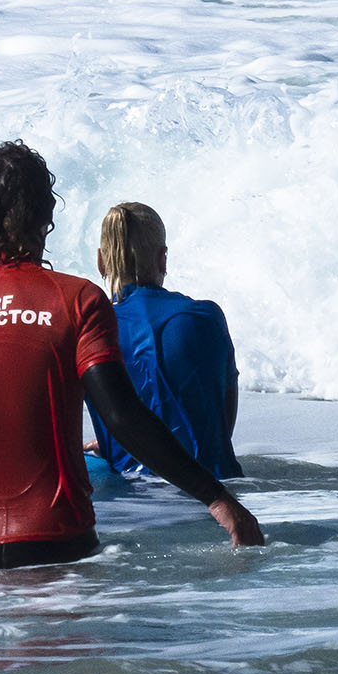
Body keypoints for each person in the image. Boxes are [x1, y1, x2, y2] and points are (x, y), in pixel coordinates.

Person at [0, 142, 262, 569]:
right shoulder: (76, 301)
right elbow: (122, 416)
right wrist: (217, 498)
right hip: (60, 551)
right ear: (46, 217)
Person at [87, 202, 242, 481]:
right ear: (163, 258)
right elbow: (222, 427)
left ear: (101, 261)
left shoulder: (93, 327)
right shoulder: (208, 317)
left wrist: (118, 441)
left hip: (136, 493)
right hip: (215, 487)